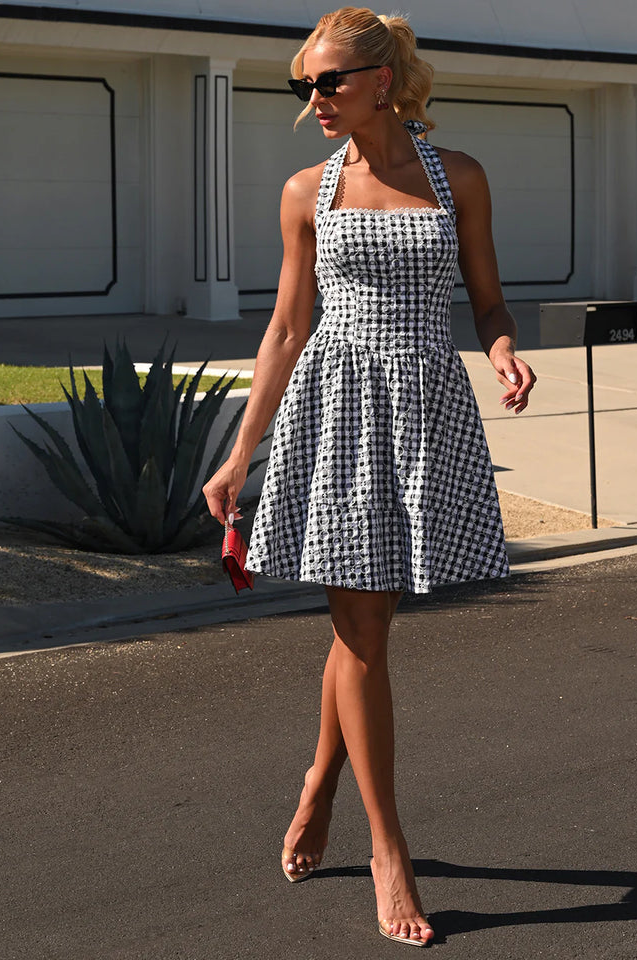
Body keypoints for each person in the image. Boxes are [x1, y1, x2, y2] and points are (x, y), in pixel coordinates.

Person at [203, 5, 536, 947]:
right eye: (304, 85)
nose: (314, 100)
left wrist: (504, 349)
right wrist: (239, 455)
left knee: (368, 629)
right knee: (361, 627)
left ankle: (317, 781)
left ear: (382, 80)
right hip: (338, 412)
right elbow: (285, 328)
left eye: (330, 82)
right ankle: (392, 850)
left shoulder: (458, 176)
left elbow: (487, 295)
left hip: (426, 407)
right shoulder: (307, 190)